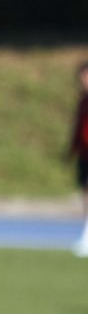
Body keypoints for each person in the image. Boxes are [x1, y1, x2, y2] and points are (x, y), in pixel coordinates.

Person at [67, 60, 88, 257]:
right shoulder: (83, 101)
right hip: (84, 153)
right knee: (84, 192)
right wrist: (72, 149)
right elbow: (78, 129)